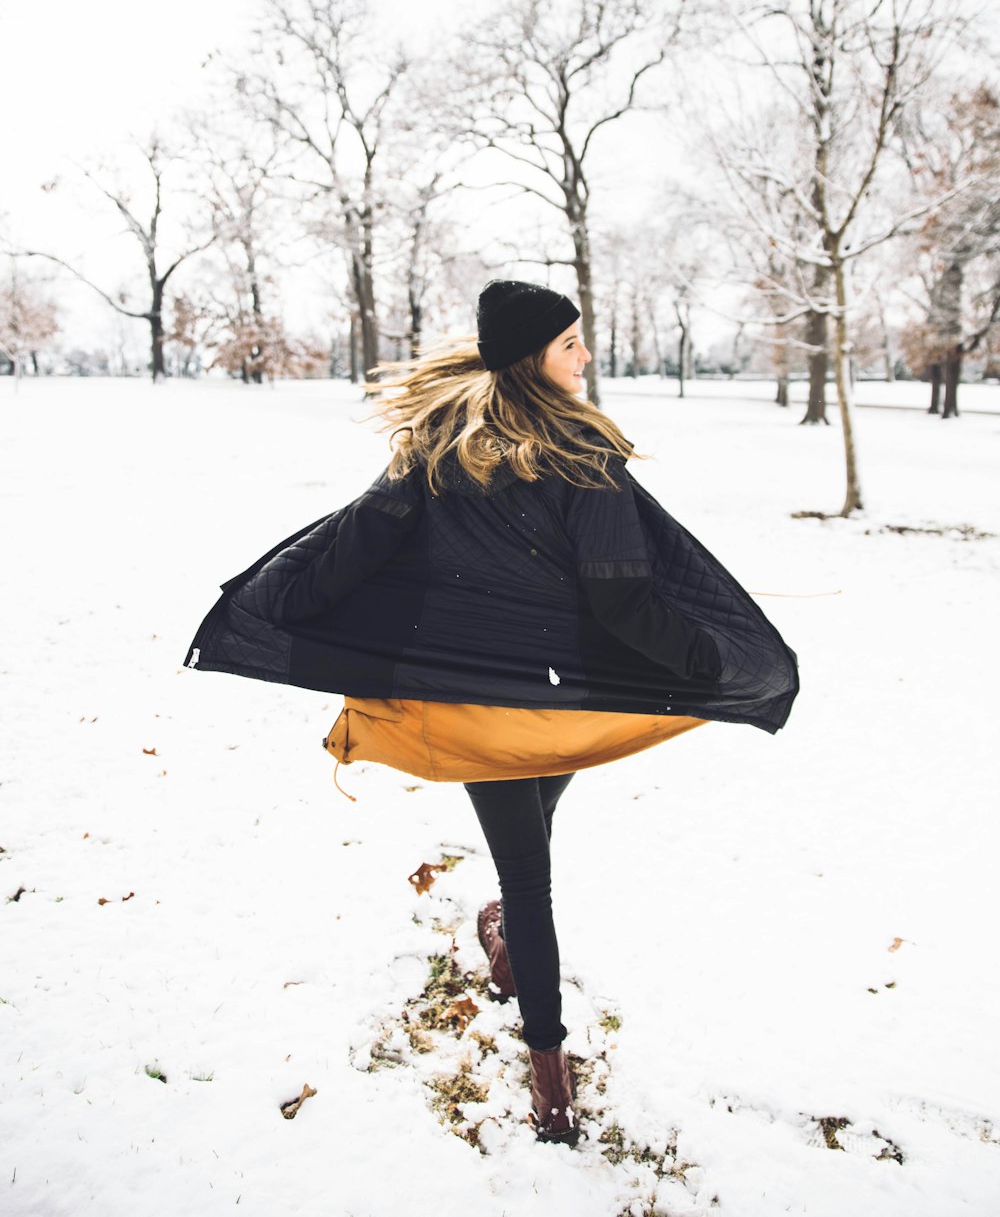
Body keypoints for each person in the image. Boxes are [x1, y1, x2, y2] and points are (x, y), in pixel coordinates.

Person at [184, 279, 799, 1145]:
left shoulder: (435, 450)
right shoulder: (582, 457)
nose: (584, 355)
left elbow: (356, 542)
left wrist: (282, 600)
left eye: (580, 341)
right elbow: (623, 603)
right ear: (529, 359)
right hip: (552, 703)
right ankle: (551, 1085)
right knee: (532, 877)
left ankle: (506, 932)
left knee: (530, 850)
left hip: (479, 707)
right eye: (568, 345)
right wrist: (710, 662)